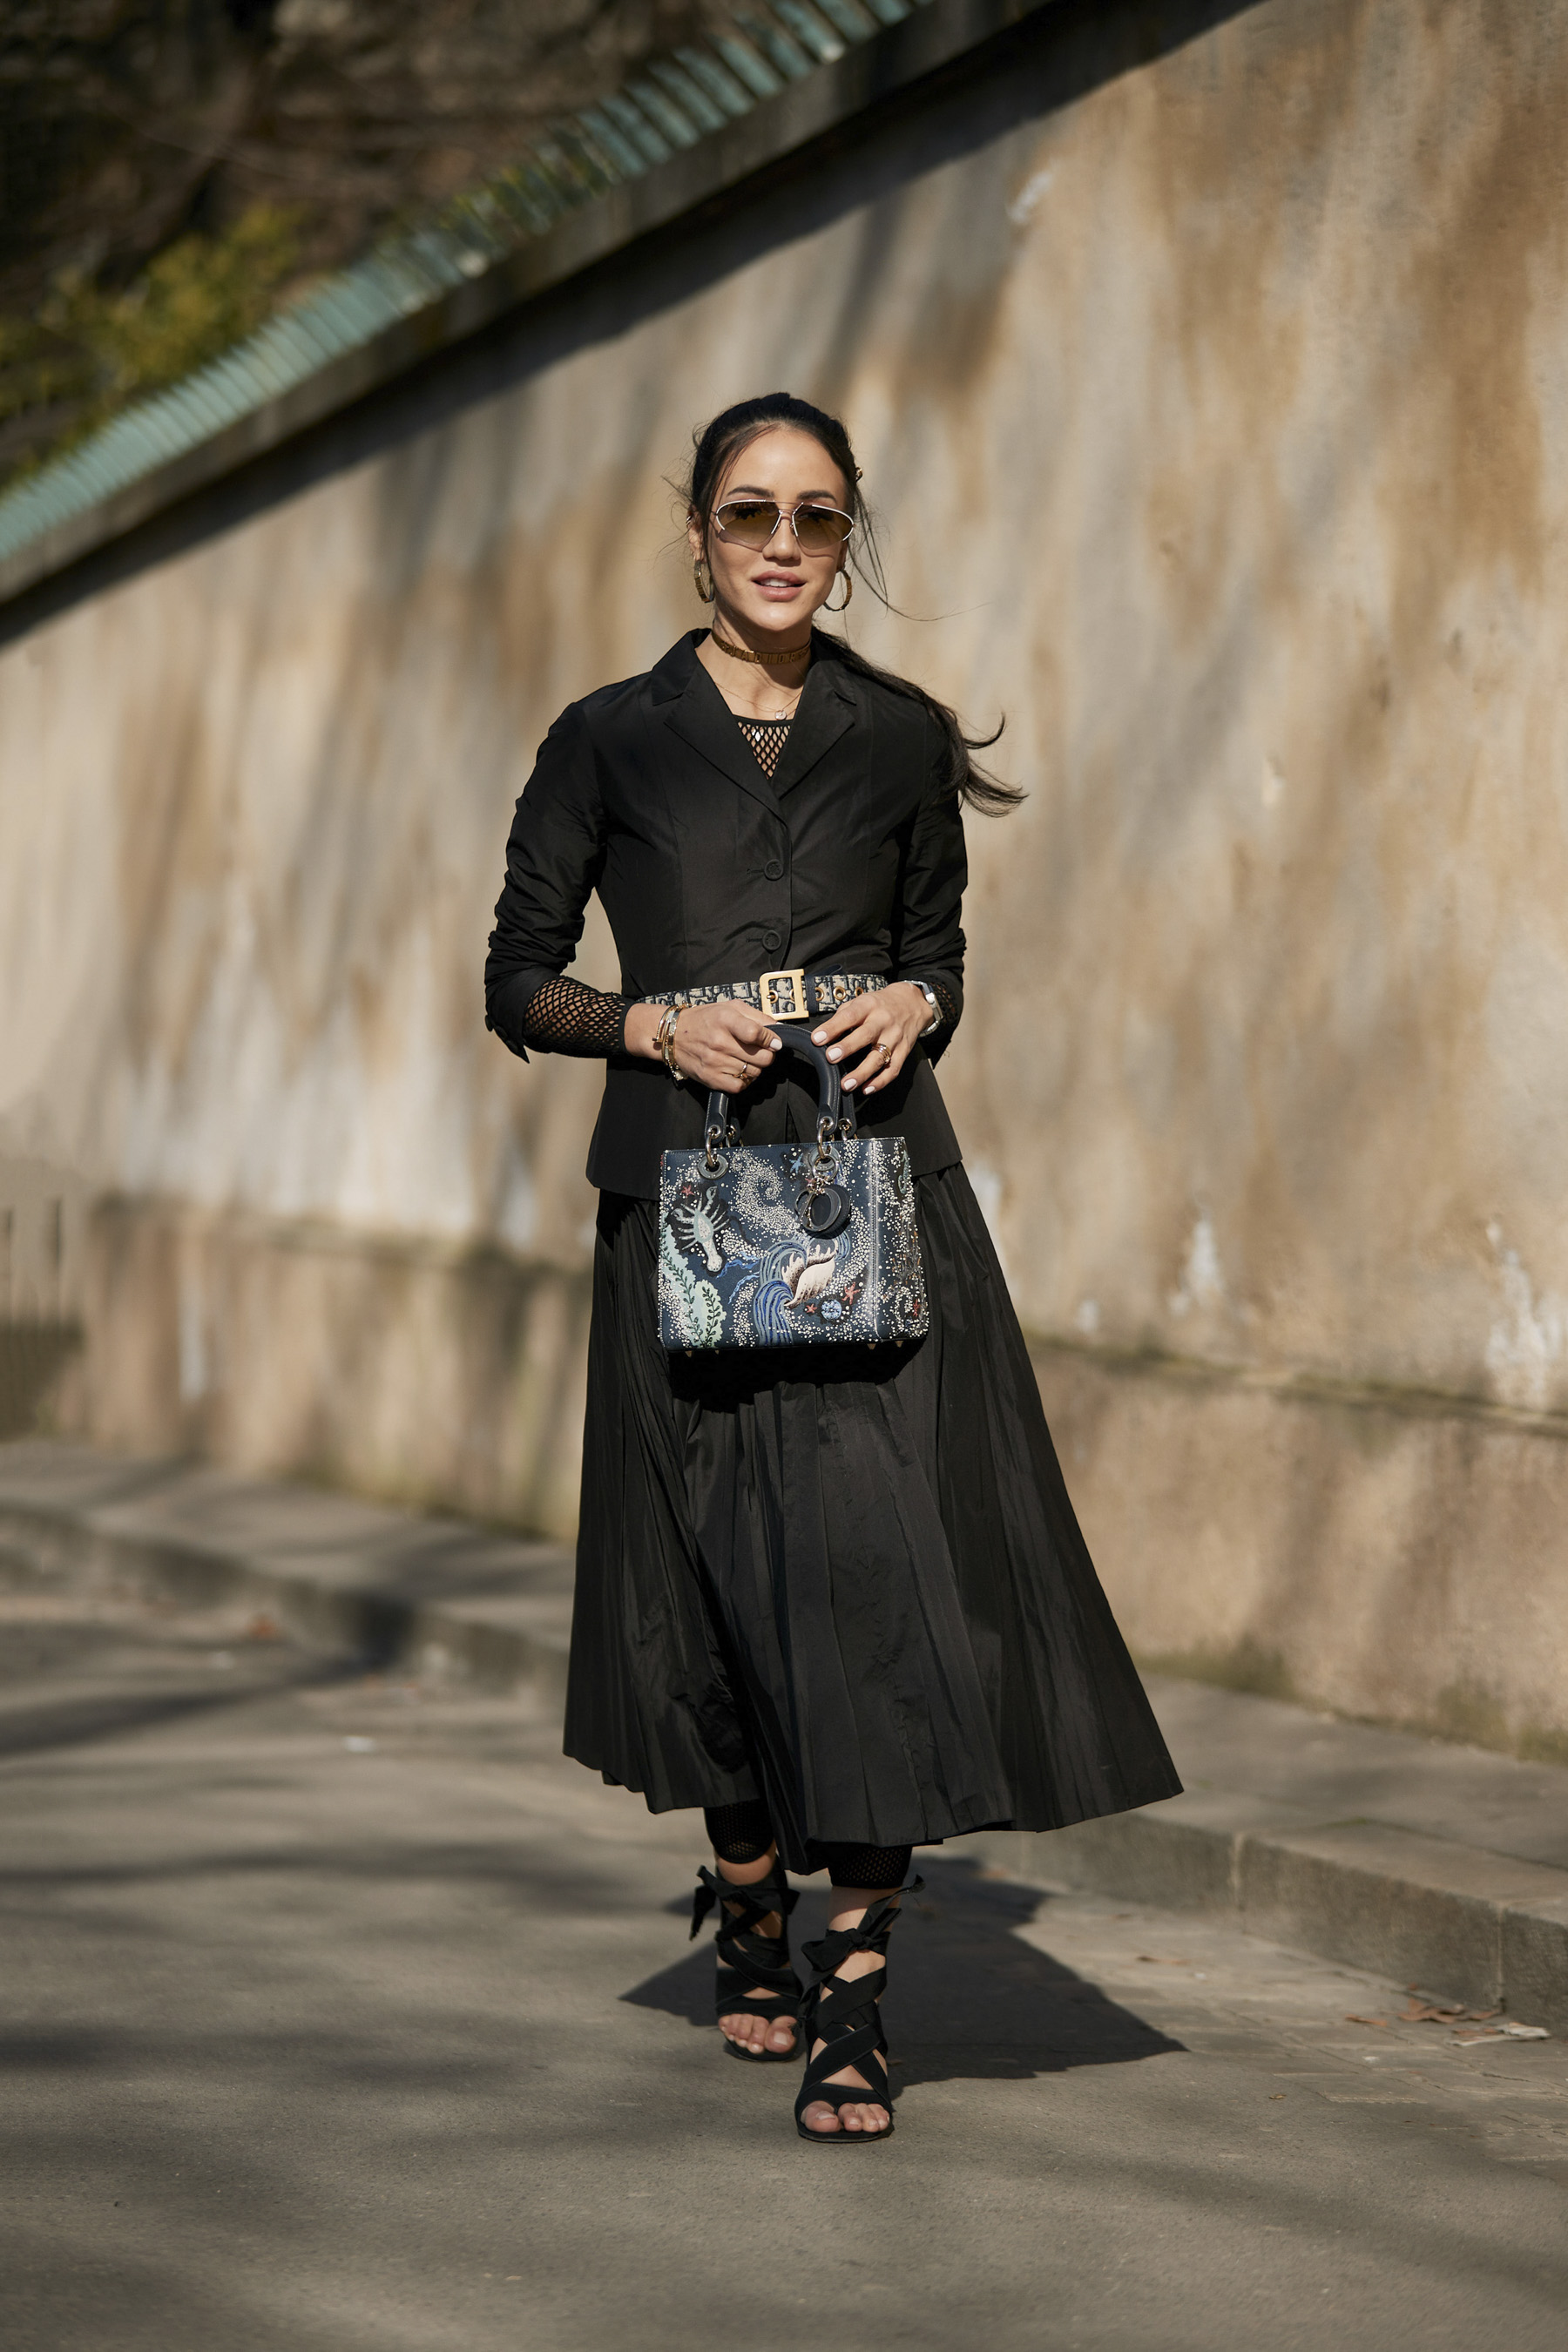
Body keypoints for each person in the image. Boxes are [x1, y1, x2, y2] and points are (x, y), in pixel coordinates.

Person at [484, 391, 1180, 2146]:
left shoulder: (901, 736)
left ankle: (855, 1994)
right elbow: (517, 980)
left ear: (848, 537)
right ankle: (748, 1891)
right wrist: (653, 1025)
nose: (782, 545)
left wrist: (919, 999)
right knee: (711, 1588)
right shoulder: (609, 738)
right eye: (749, 513)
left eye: (816, 516)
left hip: (874, 1194)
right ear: (697, 533)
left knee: (879, 1581)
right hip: (685, 1202)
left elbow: (941, 940)